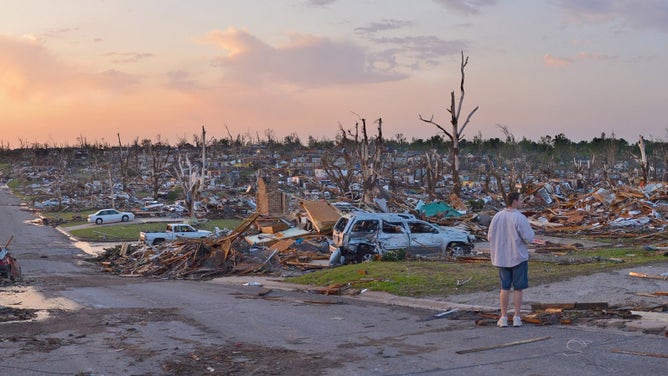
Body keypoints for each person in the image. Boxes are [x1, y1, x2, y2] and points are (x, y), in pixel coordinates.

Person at [487, 191, 535, 327]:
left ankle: (503, 317)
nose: (522, 202)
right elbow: (529, 238)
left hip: (501, 257)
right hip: (517, 256)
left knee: (504, 287)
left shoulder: (497, 216)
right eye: (520, 199)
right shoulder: (519, 218)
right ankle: (516, 316)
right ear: (514, 201)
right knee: (518, 288)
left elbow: (489, 236)